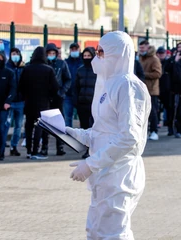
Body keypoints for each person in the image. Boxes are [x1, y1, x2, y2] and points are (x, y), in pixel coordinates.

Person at [66, 31, 151, 240]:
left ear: (117, 53)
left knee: (113, 234)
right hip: (105, 174)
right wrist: (72, 133)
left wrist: (91, 164)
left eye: (102, 52)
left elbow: (129, 137)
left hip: (119, 175)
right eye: (97, 51)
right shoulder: (107, 84)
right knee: (96, 230)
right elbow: (102, 131)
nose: (97, 57)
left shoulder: (128, 86)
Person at [19, 47, 59, 159]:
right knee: (39, 126)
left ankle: (28, 150)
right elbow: (55, 87)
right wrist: (49, 96)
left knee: (28, 126)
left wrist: (26, 96)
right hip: (43, 102)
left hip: (29, 101)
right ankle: (36, 151)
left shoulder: (27, 69)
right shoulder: (48, 70)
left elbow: (21, 86)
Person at [41, 43, 71, 156]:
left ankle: (60, 146)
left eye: (53, 53)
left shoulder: (61, 64)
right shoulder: (43, 64)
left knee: (59, 123)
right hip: (46, 97)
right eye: (49, 53)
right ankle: (44, 147)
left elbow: (68, 79)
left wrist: (62, 92)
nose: (51, 55)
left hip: (58, 97)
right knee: (45, 123)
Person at [74, 47, 97, 159]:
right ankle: (87, 148)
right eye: (85, 56)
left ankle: (92, 149)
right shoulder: (80, 70)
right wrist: (76, 101)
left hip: (94, 103)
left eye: (89, 56)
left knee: (93, 127)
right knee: (84, 127)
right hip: (82, 103)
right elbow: (76, 87)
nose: (87, 58)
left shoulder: (97, 70)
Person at [139, 44, 162, 141]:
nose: (141, 50)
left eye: (143, 48)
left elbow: (158, 73)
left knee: (152, 112)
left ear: (148, 48)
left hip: (151, 90)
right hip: (141, 88)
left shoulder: (154, 59)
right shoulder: (140, 58)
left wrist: (143, 74)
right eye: (140, 48)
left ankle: (154, 131)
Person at [6, 47, 25, 156]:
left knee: (18, 126)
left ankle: (14, 146)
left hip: (20, 101)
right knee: (6, 124)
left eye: (17, 53)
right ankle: (2, 145)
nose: (15, 55)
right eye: (13, 53)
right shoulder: (7, 67)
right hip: (9, 101)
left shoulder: (23, 68)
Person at [65, 43, 83, 127]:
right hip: (68, 94)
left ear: (79, 50)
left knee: (82, 118)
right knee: (67, 118)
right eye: (72, 49)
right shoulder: (66, 62)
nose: (74, 51)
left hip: (80, 94)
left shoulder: (83, 61)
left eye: (76, 49)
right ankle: (67, 138)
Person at [157, 46, 173, 135]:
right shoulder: (156, 62)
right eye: (159, 53)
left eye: (162, 53)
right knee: (157, 109)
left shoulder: (169, 63)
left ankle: (170, 127)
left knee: (169, 108)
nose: (161, 55)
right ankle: (157, 124)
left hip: (167, 89)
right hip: (157, 88)